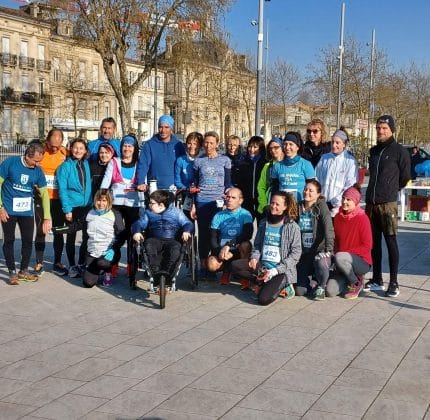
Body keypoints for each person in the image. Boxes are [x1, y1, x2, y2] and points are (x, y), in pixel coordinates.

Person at [364, 115, 410, 298]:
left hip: (388, 204)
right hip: (371, 204)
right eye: (378, 128)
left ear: (392, 129)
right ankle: (376, 278)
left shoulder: (400, 151)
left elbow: (405, 177)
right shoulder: (373, 151)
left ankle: (394, 281)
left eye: (384, 128)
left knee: (390, 242)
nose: (381, 131)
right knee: (374, 243)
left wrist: (391, 189)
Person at [231, 191, 301, 305]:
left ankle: (285, 286)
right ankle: (260, 281)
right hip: (262, 267)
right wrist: (254, 257)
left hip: (280, 271)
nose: (273, 206)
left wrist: (275, 270)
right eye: (272, 203)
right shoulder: (264, 223)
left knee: (263, 300)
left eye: (277, 204)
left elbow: (296, 254)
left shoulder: (292, 227)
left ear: (285, 206)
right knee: (234, 266)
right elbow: (257, 245)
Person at [0, 142, 51, 285]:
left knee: (28, 241)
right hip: (8, 210)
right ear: (27, 156)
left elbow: (44, 194)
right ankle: (11, 272)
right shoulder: (10, 163)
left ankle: (23, 270)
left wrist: (47, 217)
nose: (36, 164)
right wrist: (0, 207)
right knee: (9, 240)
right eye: (35, 161)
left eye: (39, 161)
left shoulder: (38, 171)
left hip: (27, 211)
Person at [191, 131, 232, 277]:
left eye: (211, 143)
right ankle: (203, 265)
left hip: (218, 203)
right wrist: (194, 205)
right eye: (206, 142)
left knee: (215, 235)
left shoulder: (225, 160)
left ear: (217, 144)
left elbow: (228, 183)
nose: (208, 145)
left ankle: (214, 265)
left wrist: (229, 200)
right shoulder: (198, 162)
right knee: (203, 235)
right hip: (202, 201)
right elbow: (194, 184)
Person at [100, 134, 142, 277]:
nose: (127, 149)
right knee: (118, 233)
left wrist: (143, 188)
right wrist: (101, 198)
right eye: (125, 146)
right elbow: (106, 183)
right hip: (116, 204)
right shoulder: (114, 162)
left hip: (133, 204)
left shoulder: (139, 163)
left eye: (130, 146)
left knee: (132, 235)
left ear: (134, 148)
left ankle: (132, 264)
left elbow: (144, 182)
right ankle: (113, 264)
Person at [131, 190, 194, 277]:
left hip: (172, 240)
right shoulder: (148, 213)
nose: (149, 205)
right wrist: (137, 232)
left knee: (175, 249)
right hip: (154, 239)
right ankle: (154, 270)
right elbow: (139, 223)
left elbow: (187, 223)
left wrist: (186, 231)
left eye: (152, 203)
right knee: (149, 246)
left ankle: (169, 272)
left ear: (161, 205)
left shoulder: (176, 212)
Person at [326, 185, 372, 299]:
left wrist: (344, 254)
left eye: (348, 199)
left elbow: (367, 246)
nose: (344, 201)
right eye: (343, 198)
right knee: (330, 291)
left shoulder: (362, 218)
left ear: (355, 201)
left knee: (341, 257)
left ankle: (356, 282)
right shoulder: (337, 217)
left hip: (361, 262)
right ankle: (349, 278)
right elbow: (335, 240)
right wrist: (332, 253)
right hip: (341, 261)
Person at [34, 128, 69, 276]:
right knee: (42, 230)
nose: (55, 148)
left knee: (59, 231)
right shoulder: (41, 152)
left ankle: (57, 262)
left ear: (62, 142)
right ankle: (39, 263)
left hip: (58, 199)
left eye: (58, 145)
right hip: (42, 199)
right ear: (47, 141)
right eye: (52, 145)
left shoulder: (65, 153)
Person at [57, 138, 92, 278]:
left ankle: (81, 264)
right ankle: (72, 265)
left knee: (86, 237)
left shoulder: (86, 164)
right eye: (75, 147)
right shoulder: (65, 167)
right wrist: (67, 209)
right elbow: (62, 190)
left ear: (85, 151)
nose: (78, 150)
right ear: (71, 149)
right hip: (72, 207)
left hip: (86, 207)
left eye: (81, 148)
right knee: (71, 237)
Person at [295, 179, 334, 300]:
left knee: (321, 262)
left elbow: (329, 228)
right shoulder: (298, 206)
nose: (307, 192)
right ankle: (312, 282)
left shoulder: (321, 207)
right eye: (305, 189)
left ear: (318, 194)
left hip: (319, 250)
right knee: (300, 291)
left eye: (311, 190)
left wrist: (328, 249)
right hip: (304, 253)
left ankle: (322, 285)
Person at [206, 188, 253, 287]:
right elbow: (212, 239)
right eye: (227, 197)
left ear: (240, 201)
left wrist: (230, 247)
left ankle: (244, 276)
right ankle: (226, 271)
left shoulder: (245, 214)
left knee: (246, 245)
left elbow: (247, 234)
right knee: (211, 264)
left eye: (233, 197)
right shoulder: (218, 216)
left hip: (238, 249)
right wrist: (219, 251)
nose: (229, 199)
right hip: (222, 251)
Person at [315, 128, 358, 217]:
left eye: (337, 142)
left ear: (344, 144)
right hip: (322, 207)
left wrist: (333, 203)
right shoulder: (324, 158)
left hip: (339, 210)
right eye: (332, 142)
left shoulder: (350, 161)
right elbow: (316, 180)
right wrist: (319, 199)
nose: (334, 145)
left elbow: (350, 186)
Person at [137, 115, 185, 191]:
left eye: (166, 127)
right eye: (160, 127)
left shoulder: (178, 145)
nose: (163, 130)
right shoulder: (149, 145)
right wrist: (140, 182)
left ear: (171, 128)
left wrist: (183, 185)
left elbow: (184, 166)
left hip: (174, 189)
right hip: (154, 189)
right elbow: (143, 165)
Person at [271, 131, 315, 203]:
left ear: (297, 147)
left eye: (291, 144)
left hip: (299, 206)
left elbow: (312, 189)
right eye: (285, 144)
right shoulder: (277, 166)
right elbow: (274, 189)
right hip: (282, 207)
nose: (287, 147)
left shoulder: (306, 164)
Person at [235, 136, 266, 221]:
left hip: (261, 201)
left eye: (255, 147)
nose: (252, 149)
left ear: (261, 148)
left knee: (262, 227)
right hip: (246, 201)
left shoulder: (265, 163)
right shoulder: (243, 162)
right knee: (246, 228)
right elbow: (239, 183)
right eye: (250, 146)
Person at [174, 131, 203, 216]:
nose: (192, 146)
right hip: (186, 196)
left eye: (195, 143)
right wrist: (187, 189)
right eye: (189, 143)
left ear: (200, 145)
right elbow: (177, 181)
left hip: (202, 196)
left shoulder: (204, 159)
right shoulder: (180, 160)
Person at [257, 137, 284, 217]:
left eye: (276, 147)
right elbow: (261, 187)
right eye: (270, 148)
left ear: (282, 147)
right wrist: (265, 205)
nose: (272, 150)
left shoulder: (288, 165)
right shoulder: (267, 166)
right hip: (270, 205)